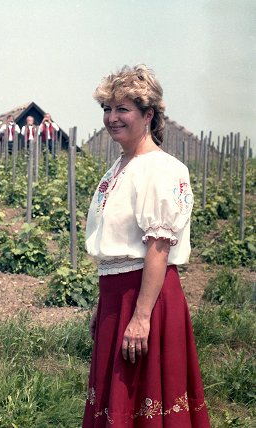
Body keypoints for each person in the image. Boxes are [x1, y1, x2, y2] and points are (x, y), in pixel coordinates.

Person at [83, 65, 210, 427]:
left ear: (148, 114)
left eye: (122, 109)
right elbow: (116, 249)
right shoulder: (119, 167)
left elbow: (158, 248)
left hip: (146, 297)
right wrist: (103, 304)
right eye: (107, 108)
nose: (111, 118)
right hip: (116, 296)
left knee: (146, 400)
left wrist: (140, 317)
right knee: (116, 403)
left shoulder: (161, 169)